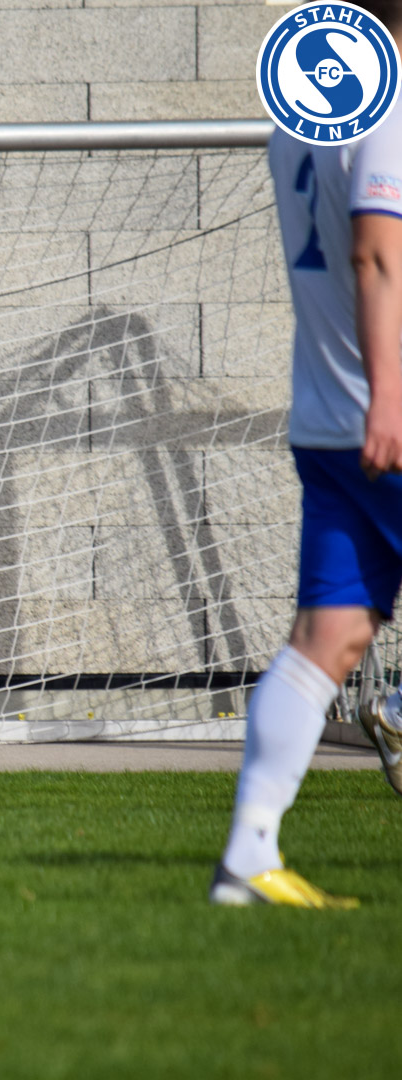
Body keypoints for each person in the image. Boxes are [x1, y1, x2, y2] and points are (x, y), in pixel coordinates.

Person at [212, 0, 402, 907]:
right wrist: (390, 395)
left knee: (328, 638)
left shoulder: (297, 122)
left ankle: (248, 855)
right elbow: (376, 256)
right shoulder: (387, 106)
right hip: (386, 417)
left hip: (326, 420)